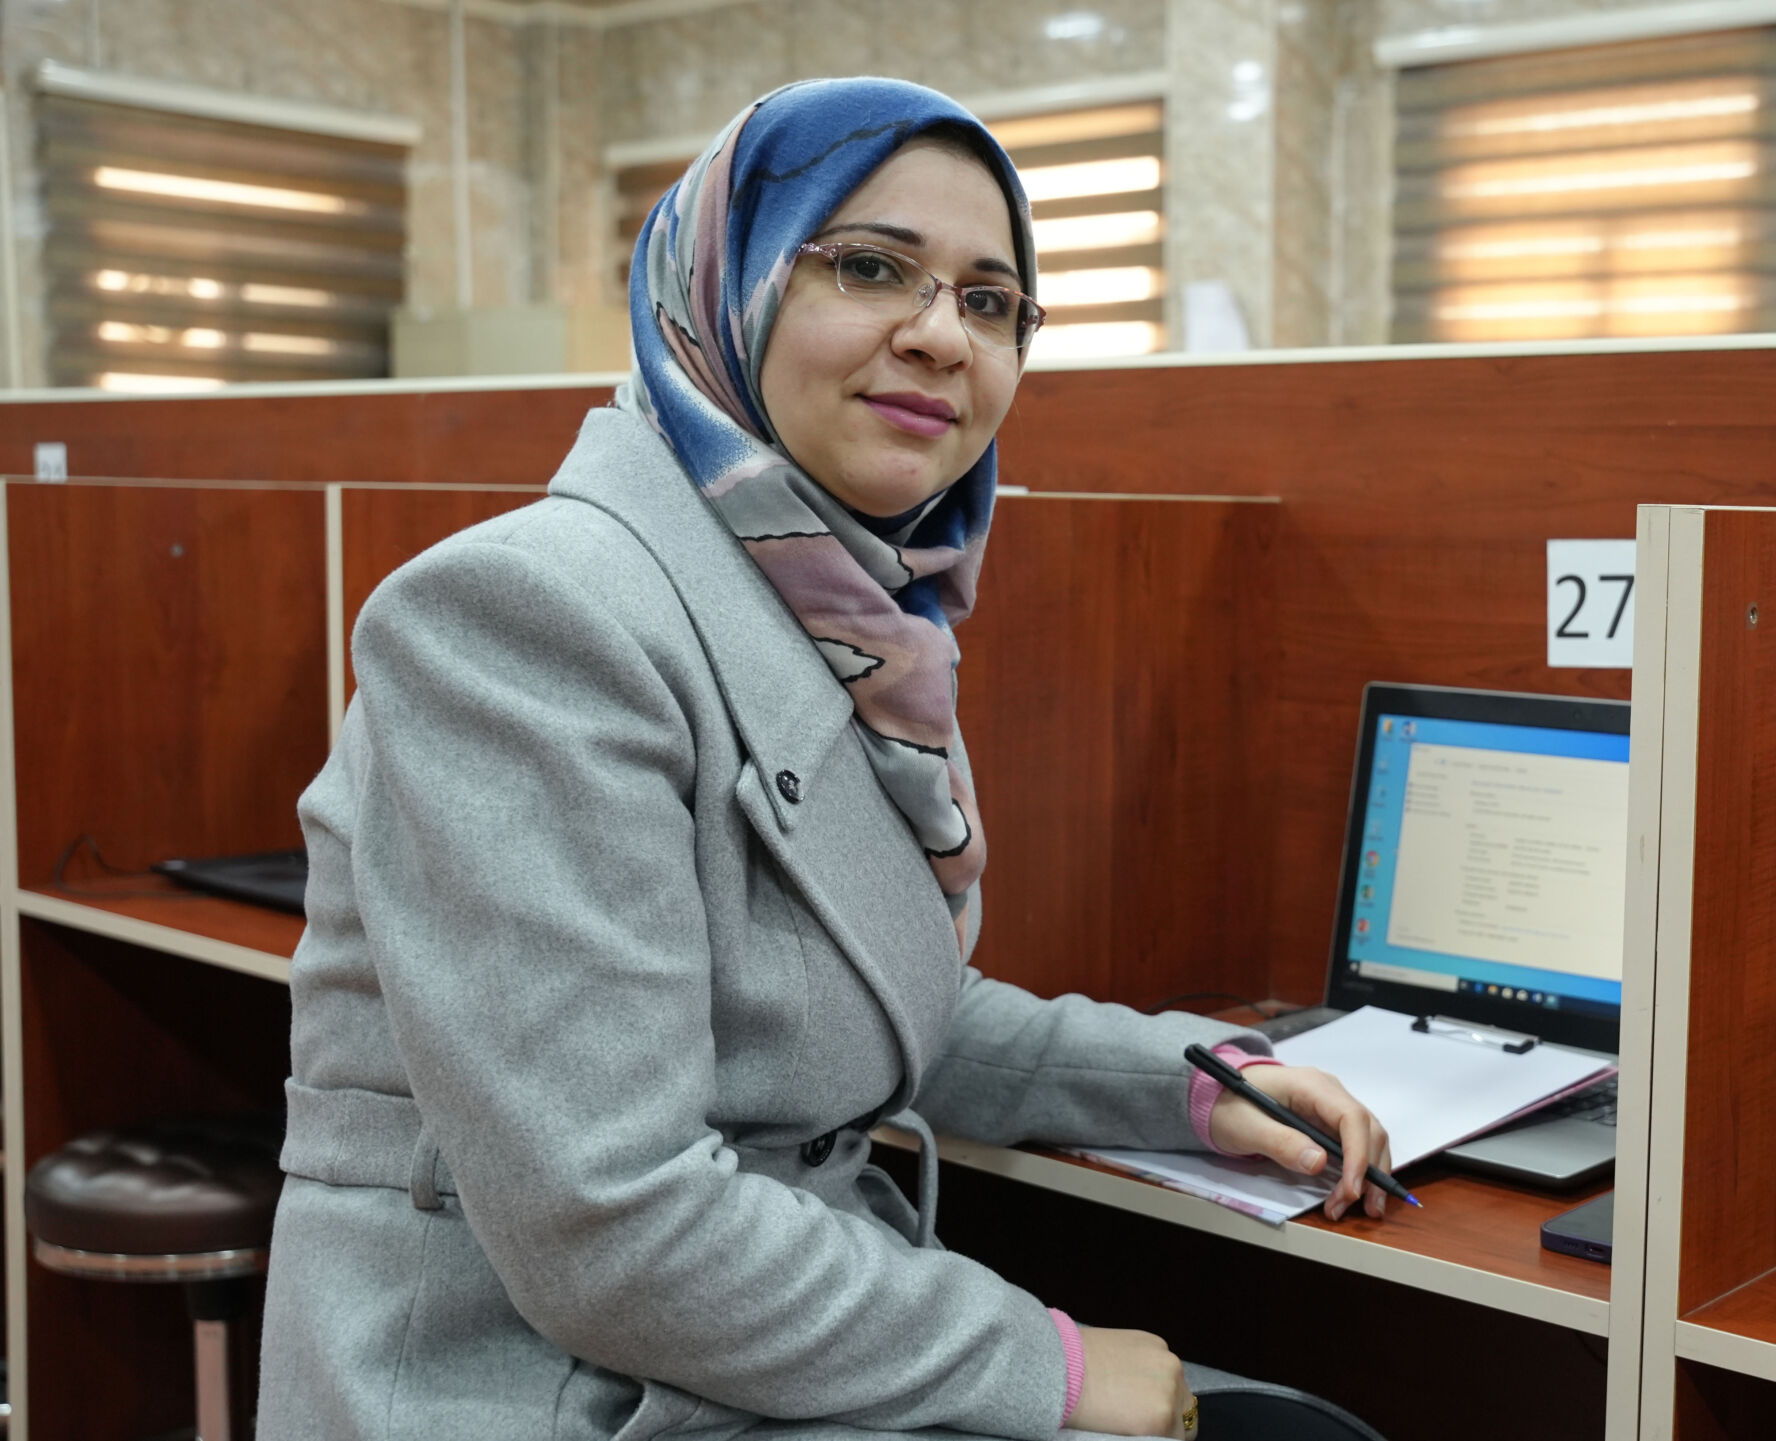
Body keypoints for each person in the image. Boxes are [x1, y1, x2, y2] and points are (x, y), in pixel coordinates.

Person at [257, 77, 1395, 1441]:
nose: (941, 335)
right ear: (723, 284)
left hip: (753, 1333)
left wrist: (1196, 1085)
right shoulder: (532, 615)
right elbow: (610, 1228)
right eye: (869, 267)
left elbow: (862, 1010)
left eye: (991, 300)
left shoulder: (852, 617)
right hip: (538, 1383)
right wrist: (1048, 1362)